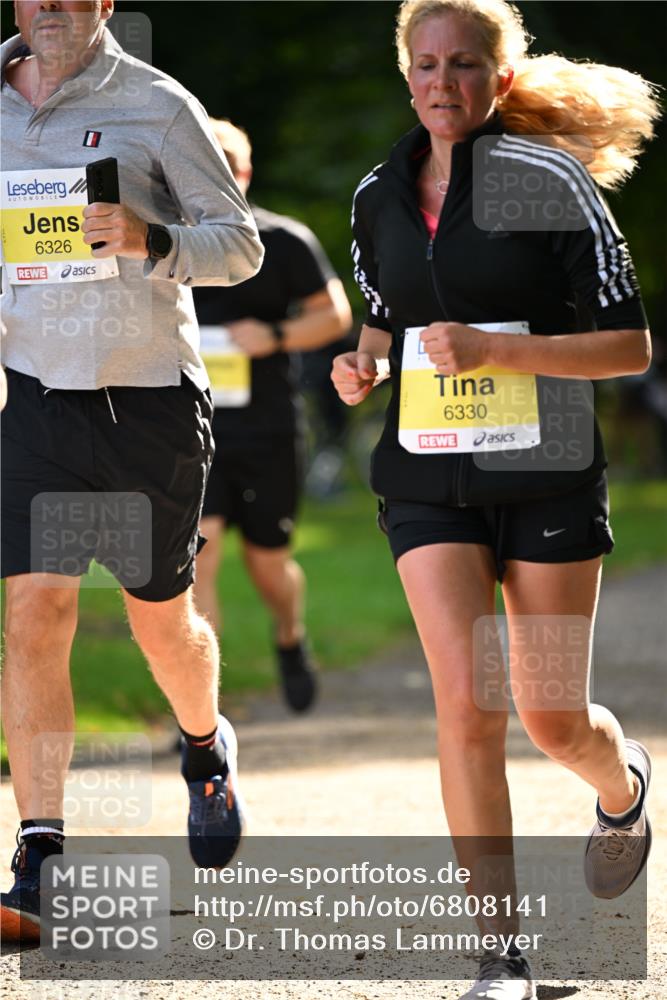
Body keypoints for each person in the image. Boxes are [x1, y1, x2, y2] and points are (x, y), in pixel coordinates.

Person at [332, 1, 659, 996]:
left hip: (548, 470)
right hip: (429, 477)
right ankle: (499, 960)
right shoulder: (377, 194)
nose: (443, 83)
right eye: (426, 65)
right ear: (406, 75)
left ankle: (622, 787)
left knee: (549, 716)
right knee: (467, 706)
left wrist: (498, 349)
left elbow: (628, 347)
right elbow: (385, 323)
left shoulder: (549, 183)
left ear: (500, 78)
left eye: (465, 65)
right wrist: (363, 366)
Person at [0, 0, 264, 942]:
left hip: (147, 400)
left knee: (160, 623)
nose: (53, 9)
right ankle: (39, 850)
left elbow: (238, 246)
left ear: (105, 3)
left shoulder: (157, 102)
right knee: (35, 606)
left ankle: (204, 741)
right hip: (32, 397)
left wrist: (148, 241)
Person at [193, 119, 352, 711]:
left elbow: (334, 316)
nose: (217, 175)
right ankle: (199, 712)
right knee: (198, 555)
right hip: (189, 429)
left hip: (267, 429)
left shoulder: (283, 240)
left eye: (228, 164)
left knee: (268, 566)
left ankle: (289, 635)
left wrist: (276, 334)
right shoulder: (161, 240)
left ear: (247, 172)